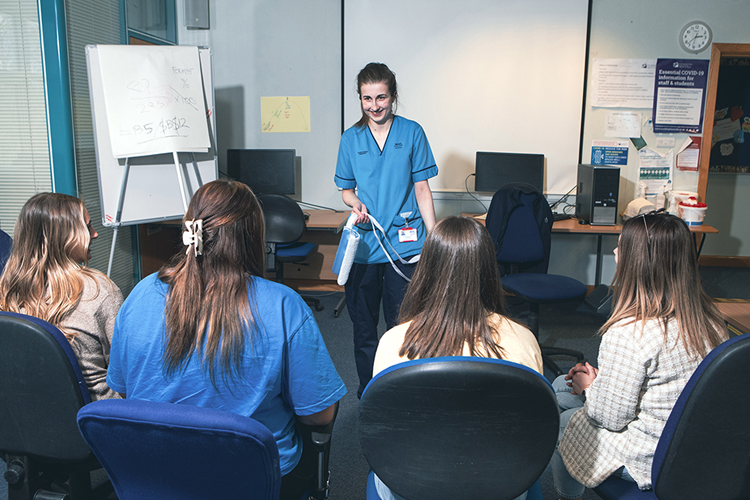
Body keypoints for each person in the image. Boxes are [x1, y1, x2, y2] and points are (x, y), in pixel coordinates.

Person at [107, 179, 346, 500]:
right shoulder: (283, 305)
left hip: (156, 475)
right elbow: (319, 414)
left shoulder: (140, 294)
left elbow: (122, 390)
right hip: (253, 480)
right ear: (253, 236)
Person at [551, 211, 729, 500]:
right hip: (691, 442)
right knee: (560, 385)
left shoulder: (630, 332)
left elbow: (611, 418)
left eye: (621, 246)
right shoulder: (710, 320)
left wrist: (590, 387)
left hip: (649, 457)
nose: (615, 251)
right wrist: (599, 383)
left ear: (638, 261)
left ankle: (565, 497)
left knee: (563, 418)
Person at [371, 216, 543, 500]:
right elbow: (534, 428)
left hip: (411, 486)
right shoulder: (523, 340)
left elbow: (380, 426)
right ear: (489, 268)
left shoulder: (394, 343)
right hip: (502, 486)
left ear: (427, 268)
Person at [334, 62, 438, 397]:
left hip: (404, 246)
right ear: (360, 99)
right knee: (364, 329)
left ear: (393, 97)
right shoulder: (351, 139)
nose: (374, 106)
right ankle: (369, 392)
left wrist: (434, 237)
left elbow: (422, 189)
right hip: (365, 246)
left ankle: (401, 390)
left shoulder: (412, 133)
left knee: (402, 328)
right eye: (367, 98)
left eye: (381, 97)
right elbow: (346, 189)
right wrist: (355, 204)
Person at [0, 193, 122, 401]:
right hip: (96, 418)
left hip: (30, 419)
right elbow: (124, 372)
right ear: (62, 238)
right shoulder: (99, 290)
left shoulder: (7, 290)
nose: (95, 235)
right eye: (87, 227)